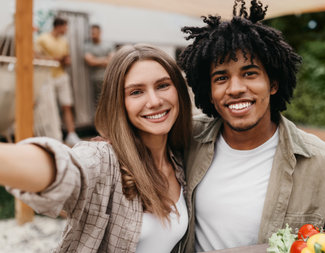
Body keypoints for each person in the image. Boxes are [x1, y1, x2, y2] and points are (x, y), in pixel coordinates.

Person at [177, 0, 325, 252]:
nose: (235, 88)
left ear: (273, 84)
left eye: (249, 73)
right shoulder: (184, 139)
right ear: (209, 92)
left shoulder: (319, 161)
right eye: (221, 77)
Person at [1, 44, 192, 252]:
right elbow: (63, 169)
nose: (154, 101)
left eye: (163, 85)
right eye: (136, 92)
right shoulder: (103, 159)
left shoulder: (181, 158)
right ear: (119, 102)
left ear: (179, 90)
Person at [35, 17, 81, 146]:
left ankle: (71, 134)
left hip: (61, 76)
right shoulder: (42, 39)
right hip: (47, 77)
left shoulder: (63, 41)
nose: (66, 30)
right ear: (59, 26)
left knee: (67, 105)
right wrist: (52, 59)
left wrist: (66, 61)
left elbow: (66, 58)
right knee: (51, 108)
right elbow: (35, 56)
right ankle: (54, 136)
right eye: (65, 27)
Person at [84, 24, 114, 104]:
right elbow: (90, 61)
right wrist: (105, 59)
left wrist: (96, 60)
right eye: (91, 33)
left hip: (108, 78)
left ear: (100, 32)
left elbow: (111, 60)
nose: (92, 34)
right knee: (98, 102)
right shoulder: (87, 46)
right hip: (95, 79)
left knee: (110, 101)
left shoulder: (108, 45)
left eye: (94, 32)